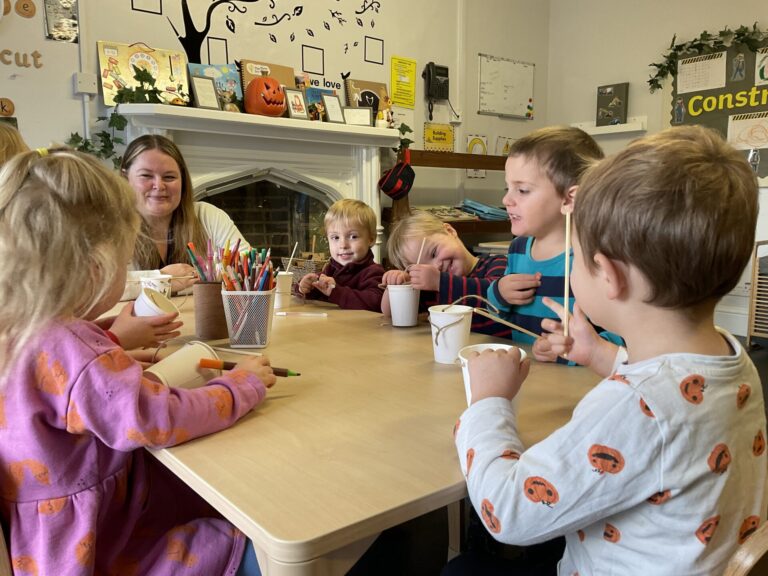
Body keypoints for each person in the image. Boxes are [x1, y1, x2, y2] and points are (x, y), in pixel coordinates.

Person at [447, 126, 766, 576]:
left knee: (462, 571)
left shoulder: (635, 405)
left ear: (607, 275)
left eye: (577, 256)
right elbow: (675, 393)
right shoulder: (735, 361)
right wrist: (601, 356)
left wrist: (489, 402)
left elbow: (508, 513)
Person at [0, 148, 275, 574]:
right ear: (97, 267)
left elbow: (57, 380)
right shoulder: (74, 348)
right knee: (255, 542)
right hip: (101, 548)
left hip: (42, 540)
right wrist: (242, 385)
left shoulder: (19, 327)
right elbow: (156, 418)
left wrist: (106, 342)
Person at [487, 125, 618, 363]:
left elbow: (625, 336)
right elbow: (498, 317)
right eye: (508, 188)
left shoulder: (594, 258)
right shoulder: (518, 248)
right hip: (527, 378)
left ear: (570, 198)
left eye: (522, 190)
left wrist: (576, 350)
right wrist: (499, 294)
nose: (506, 200)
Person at [120, 134, 250, 293]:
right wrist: (163, 279)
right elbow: (102, 287)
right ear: (125, 178)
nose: (159, 186)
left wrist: (144, 282)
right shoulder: (110, 226)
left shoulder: (207, 215)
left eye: (169, 177)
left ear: (183, 181)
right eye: (146, 175)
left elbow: (247, 264)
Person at [381, 210, 509, 336]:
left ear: (450, 231)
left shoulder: (498, 263)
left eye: (434, 253)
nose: (436, 267)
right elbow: (392, 314)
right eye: (424, 268)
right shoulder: (429, 290)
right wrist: (396, 286)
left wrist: (439, 281)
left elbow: (497, 294)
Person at [297, 198, 385, 312]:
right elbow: (318, 293)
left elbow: (376, 302)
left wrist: (336, 292)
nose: (343, 245)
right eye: (335, 237)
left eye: (353, 236)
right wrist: (305, 287)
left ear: (371, 239)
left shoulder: (374, 272)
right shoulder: (331, 268)